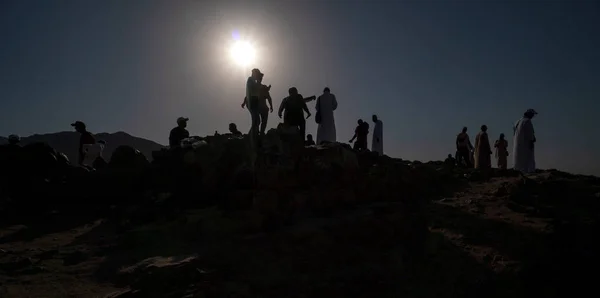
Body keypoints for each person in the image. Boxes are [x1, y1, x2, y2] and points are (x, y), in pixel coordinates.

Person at [513, 109, 538, 173]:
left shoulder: (517, 122)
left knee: (518, 160)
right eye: (532, 114)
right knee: (527, 161)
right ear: (529, 114)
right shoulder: (527, 121)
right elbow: (530, 134)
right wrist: (532, 141)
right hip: (526, 144)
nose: (532, 116)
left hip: (517, 145)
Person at [244, 68, 263, 140]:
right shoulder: (250, 80)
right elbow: (252, 90)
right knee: (256, 120)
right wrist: (259, 81)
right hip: (252, 102)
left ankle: (252, 135)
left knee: (256, 120)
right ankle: (251, 137)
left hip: (254, 101)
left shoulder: (253, 81)